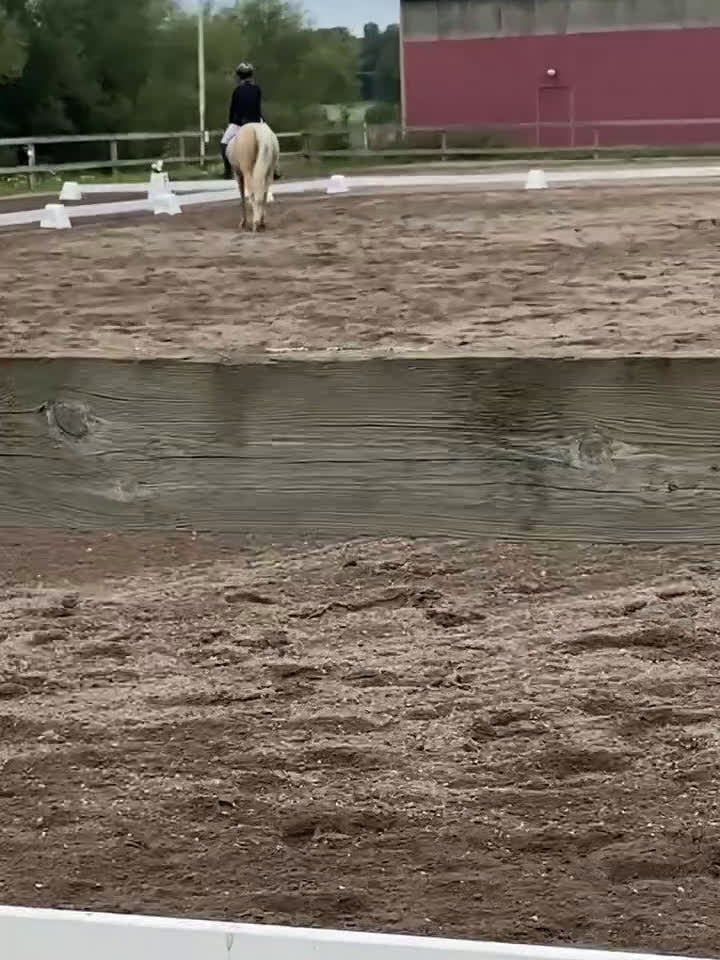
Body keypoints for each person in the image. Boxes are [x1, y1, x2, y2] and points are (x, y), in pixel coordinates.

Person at [220, 62, 263, 179]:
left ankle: (227, 171)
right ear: (251, 75)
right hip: (256, 121)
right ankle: (275, 169)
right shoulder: (257, 89)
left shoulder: (237, 90)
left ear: (239, 76)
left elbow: (233, 109)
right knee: (270, 140)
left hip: (240, 123)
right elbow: (257, 107)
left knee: (223, 143)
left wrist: (231, 122)